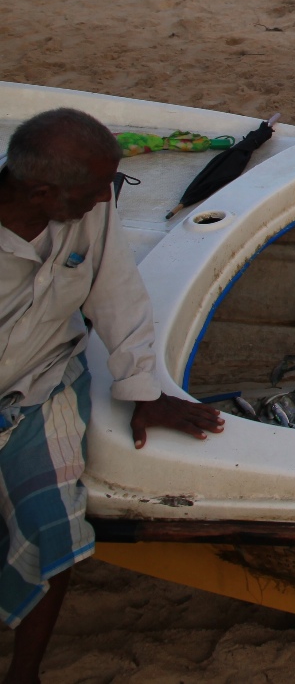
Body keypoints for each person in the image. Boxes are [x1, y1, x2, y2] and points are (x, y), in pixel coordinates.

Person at [0, 109, 224, 675]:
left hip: (40, 382)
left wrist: (142, 389)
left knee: (56, 528)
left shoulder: (84, 210)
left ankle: (23, 675)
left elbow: (116, 292)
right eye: (95, 187)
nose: (105, 198)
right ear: (42, 190)